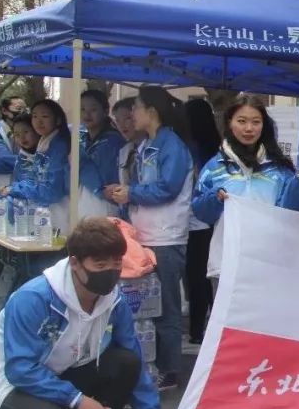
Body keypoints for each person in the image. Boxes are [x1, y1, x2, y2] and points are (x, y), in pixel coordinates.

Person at [0, 217, 164, 409]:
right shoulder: (34, 298)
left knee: (126, 362)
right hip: (7, 381)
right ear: (74, 263)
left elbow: (133, 353)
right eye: (100, 265)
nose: (110, 271)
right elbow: (19, 368)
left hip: (59, 368)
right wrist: (77, 400)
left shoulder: (113, 300)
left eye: (116, 263)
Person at [107, 87, 193, 391]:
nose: (132, 114)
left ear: (152, 111)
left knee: (166, 306)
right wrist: (125, 197)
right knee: (144, 307)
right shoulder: (146, 145)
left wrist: (131, 193)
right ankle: (149, 367)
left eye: (137, 108)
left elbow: (168, 188)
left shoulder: (173, 146)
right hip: (143, 236)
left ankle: (170, 371)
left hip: (166, 238)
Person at [193, 94, 299, 295]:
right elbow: (200, 212)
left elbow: (289, 213)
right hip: (226, 262)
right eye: (242, 121)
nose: (249, 128)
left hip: (269, 262)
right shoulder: (214, 167)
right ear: (229, 123)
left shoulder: (279, 168)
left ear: (264, 125)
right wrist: (214, 199)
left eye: (256, 122)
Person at [183, 98, 222, 344]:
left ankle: (197, 330)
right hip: (211, 221)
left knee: (196, 276)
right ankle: (203, 327)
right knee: (205, 277)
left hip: (194, 219)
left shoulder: (189, 148)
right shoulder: (216, 148)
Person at [4, 99, 71, 235]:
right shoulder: (45, 143)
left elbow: (51, 191)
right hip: (47, 212)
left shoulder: (59, 146)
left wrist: (15, 190)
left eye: (45, 116)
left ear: (58, 120)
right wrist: (14, 191)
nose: (38, 122)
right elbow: (33, 179)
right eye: (34, 116)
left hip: (59, 212)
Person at [79, 89, 126, 219]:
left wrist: (81, 161)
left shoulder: (113, 142)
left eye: (93, 109)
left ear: (105, 111)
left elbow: (108, 183)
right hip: (84, 206)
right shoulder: (83, 140)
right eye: (82, 109)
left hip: (105, 208)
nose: (87, 114)